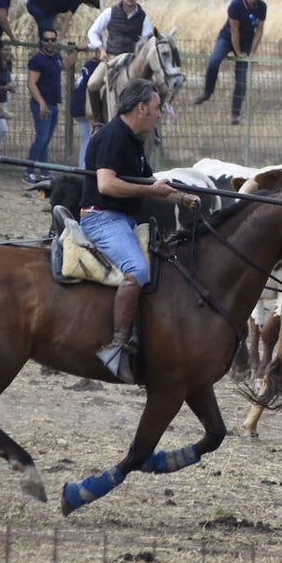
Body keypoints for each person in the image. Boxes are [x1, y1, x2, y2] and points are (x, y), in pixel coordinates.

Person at [80, 78, 200, 383]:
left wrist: (182, 197)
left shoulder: (133, 140)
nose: (160, 113)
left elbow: (152, 186)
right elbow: (106, 184)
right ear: (142, 107)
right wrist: (155, 193)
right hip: (102, 219)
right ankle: (118, 345)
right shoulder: (112, 137)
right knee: (136, 269)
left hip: (125, 220)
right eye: (158, 107)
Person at [192, 0, 266, 125]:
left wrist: (252, 52)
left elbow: (259, 31)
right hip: (228, 37)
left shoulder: (262, 6)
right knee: (214, 62)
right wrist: (237, 52)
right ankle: (207, 92)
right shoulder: (236, 5)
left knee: (241, 77)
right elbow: (234, 31)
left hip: (246, 41)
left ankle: (235, 113)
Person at [24, 31, 76, 183]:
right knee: (41, 138)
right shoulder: (37, 60)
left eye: (53, 40)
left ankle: (45, 171)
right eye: (46, 40)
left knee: (46, 140)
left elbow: (65, 65)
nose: (50, 42)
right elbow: (31, 83)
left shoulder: (56, 57)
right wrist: (41, 103)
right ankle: (29, 171)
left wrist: (77, 51)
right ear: (41, 41)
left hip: (53, 104)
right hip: (42, 105)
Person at [87, 0, 152, 59]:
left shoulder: (144, 17)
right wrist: (101, 50)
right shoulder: (110, 12)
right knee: (97, 71)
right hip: (111, 57)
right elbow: (93, 32)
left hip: (133, 59)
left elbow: (147, 39)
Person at [25, 0, 99, 41]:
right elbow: (67, 19)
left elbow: (55, 7)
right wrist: (61, 38)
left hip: (35, 4)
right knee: (48, 38)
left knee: (47, 34)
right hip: (38, 7)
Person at [72, 47, 107, 169]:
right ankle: (84, 169)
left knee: (87, 139)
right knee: (89, 139)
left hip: (77, 105)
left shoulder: (89, 64)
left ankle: (84, 168)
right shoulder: (99, 67)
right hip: (86, 106)